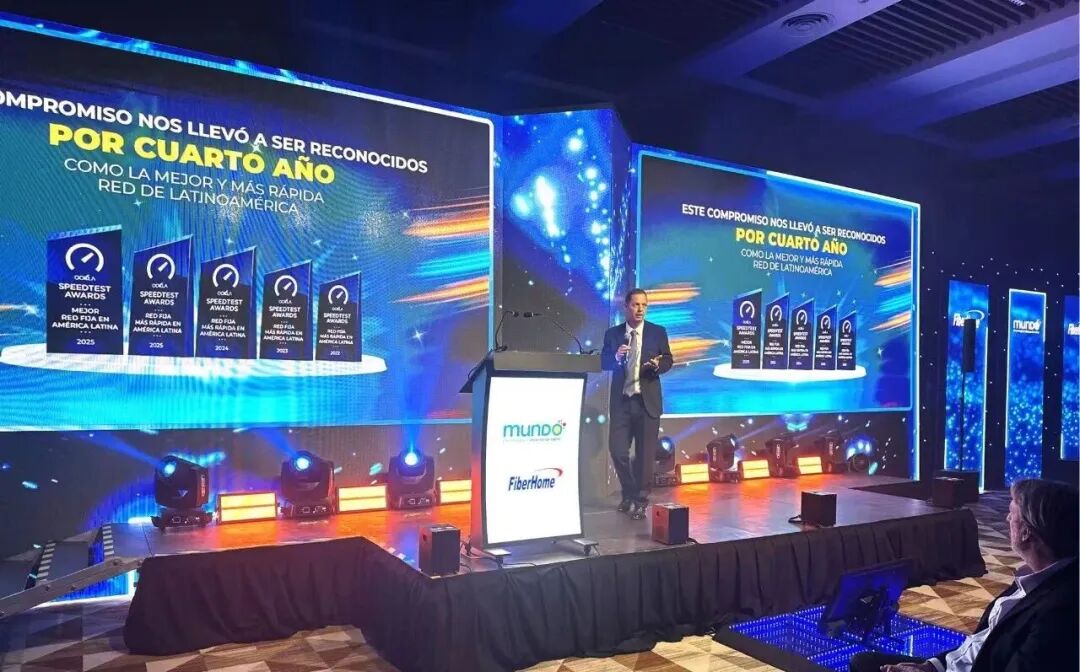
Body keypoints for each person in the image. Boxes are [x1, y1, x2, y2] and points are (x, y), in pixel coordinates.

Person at [849, 478, 1078, 672]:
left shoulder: (1059, 612)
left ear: (1027, 532)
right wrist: (931, 666)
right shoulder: (1036, 578)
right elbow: (980, 643)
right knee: (863, 662)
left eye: (1011, 513)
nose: (1007, 519)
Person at [601, 288, 673, 520]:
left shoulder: (657, 332)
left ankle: (640, 501)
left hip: (647, 402)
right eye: (635, 305)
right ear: (626, 307)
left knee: (644, 457)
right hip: (622, 402)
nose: (640, 309)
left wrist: (658, 365)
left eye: (644, 305)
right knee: (617, 451)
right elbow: (603, 361)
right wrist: (616, 357)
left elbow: (668, 359)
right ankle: (629, 492)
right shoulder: (613, 334)